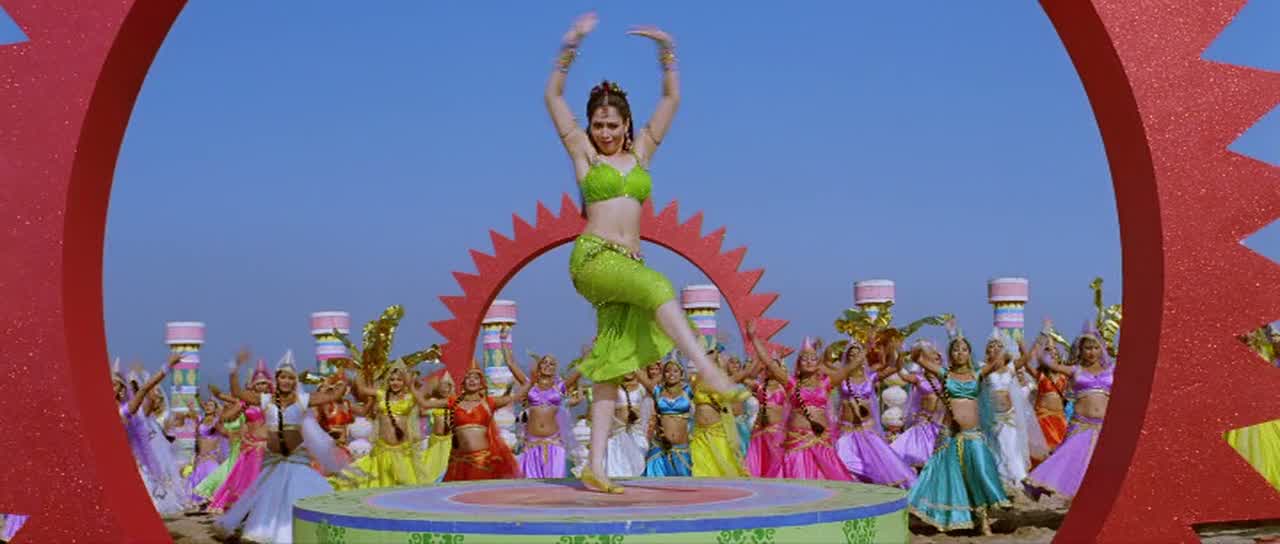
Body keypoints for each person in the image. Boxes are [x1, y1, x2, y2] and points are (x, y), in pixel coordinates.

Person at [546, 11, 748, 493]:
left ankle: (595, 465)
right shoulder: (584, 155)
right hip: (593, 259)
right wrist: (570, 45)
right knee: (658, 286)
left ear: (626, 124)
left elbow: (672, 99)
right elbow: (553, 97)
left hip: (624, 267)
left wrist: (666, 52)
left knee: (612, 363)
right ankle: (708, 370)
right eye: (597, 124)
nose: (604, 133)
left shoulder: (641, 155)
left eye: (612, 125)